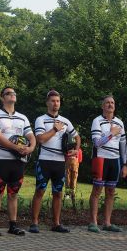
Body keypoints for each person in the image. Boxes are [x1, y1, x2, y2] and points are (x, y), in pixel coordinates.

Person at [29, 90, 81, 233]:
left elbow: (77, 138)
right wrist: (54, 129)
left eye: (57, 101)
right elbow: (40, 139)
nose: (55, 103)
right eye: (52, 101)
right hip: (44, 161)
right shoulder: (41, 119)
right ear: (47, 103)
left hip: (59, 162)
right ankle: (34, 223)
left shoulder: (66, 121)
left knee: (58, 193)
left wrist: (76, 150)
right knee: (40, 191)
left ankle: (56, 224)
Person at [0, 87, 36, 236]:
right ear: (2, 98)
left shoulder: (23, 117)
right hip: (0, 160)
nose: (12, 95)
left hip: (18, 161)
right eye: (8, 93)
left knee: (13, 194)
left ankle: (12, 225)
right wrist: (15, 147)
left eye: (14, 93)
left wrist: (31, 148)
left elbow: (30, 136)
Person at [88, 95, 127, 233]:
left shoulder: (120, 123)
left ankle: (107, 222)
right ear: (102, 106)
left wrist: (125, 164)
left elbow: (123, 146)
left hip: (115, 159)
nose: (110, 105)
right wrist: (111, 134)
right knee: (97, 190)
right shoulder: (97, 121)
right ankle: (93, 222)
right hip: (100, 158)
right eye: (107, 103)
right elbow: (97, 143)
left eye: (112, 102)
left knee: (111, 191)